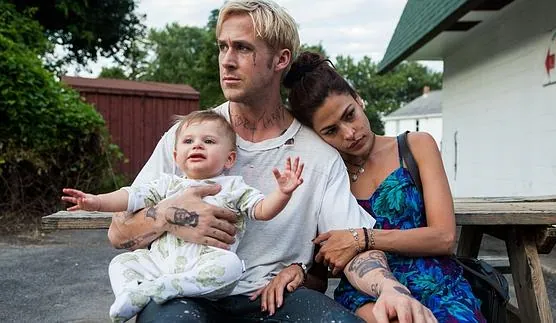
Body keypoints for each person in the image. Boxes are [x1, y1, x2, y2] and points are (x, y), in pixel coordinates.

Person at [107, 1, 436, 322]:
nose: (227, 61)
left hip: (275, 297)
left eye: (243, 48)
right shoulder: (188, 137)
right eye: (223, 47)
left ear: (281, 59)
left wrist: (392, 291)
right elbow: (119, 233)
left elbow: (353, 246)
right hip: (183, 291)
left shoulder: (318, 155)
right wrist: (168, 215)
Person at [283, 51, 486, 323]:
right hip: (365, 295)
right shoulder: (327, 176)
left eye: (350, 115)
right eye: (331, 130)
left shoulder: (416, 146)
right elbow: (320, 274)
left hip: (438, 284)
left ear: (358, 99)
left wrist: (362, 237)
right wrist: (292, 273)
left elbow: (444, 238)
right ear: (317, 136)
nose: (349, 133)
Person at [62, 111, 305, 322]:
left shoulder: (233, 187)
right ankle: (130, 294)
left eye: (208, 141)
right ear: (177, 157)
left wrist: (282, 193)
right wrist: (96, 202)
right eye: (189, 141)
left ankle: (168, 287)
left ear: (230, 158)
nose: (197, 145)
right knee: (121, 263)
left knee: (231, 267)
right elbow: (130, 196)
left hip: (204, 265)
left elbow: (262, 210)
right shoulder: (167, 185)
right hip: (159, 264)